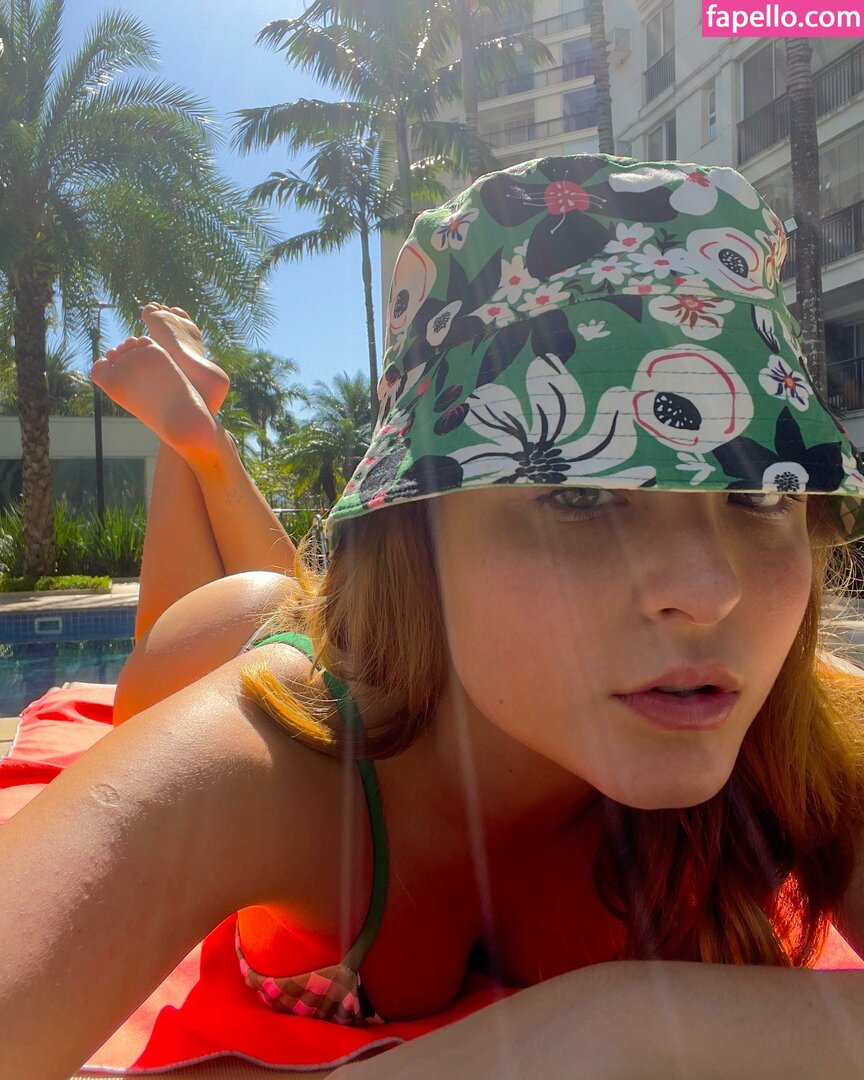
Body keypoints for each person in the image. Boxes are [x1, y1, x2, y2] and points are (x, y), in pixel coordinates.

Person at [3, 153, 864, 1080]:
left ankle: (207, 435)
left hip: (407, 650)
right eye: (578, 494)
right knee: (211, 626)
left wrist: (614, 1022)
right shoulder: (266, 761)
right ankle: (197, 441)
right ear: (415, 528)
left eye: (760, 495)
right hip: (239, 640)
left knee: (303, 592)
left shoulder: (801, 733)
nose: (710, 590)